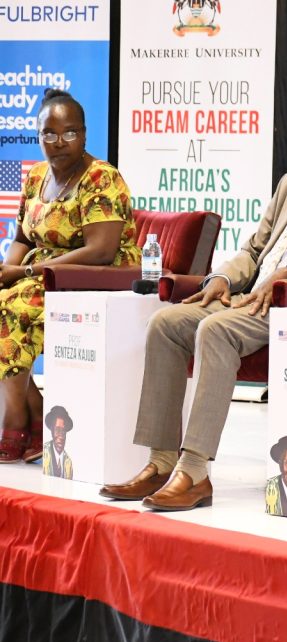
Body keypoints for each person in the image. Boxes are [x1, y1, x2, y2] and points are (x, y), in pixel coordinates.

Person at [99, 85, 287, 511]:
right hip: (256, 297)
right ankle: (161, 460)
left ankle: (195, 471)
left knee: (216, 329)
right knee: (166, 324)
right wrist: (222, 277)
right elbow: (255, 251)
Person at [0, 89, 140, 464]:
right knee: (7, 296)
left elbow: (101, 250)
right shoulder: (36, 177)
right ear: (38, 134)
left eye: (70, 133)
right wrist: (4, 272)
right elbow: (21, 238)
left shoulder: (102, 178)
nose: (59, 142)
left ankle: (15, 419)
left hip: (94, 276)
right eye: (49, 133)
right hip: (41, 274)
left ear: (84, 134)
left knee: (15, 307)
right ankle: (34, 413)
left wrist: (24, 271)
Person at [41, 405, 74, 479]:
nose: (61, 436)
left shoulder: (68, 462)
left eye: (63, 431)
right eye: (57, 430)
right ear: (52, 431)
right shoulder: (44, 452)